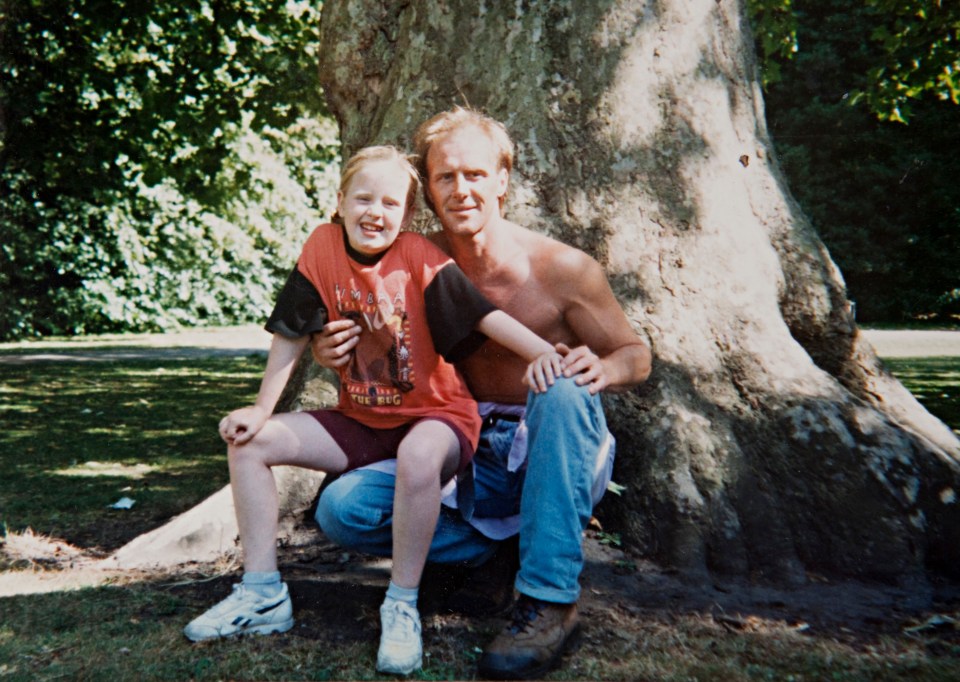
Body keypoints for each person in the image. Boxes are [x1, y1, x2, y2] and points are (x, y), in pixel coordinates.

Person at [182, 145, 566, 676]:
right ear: (339, 201)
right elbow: (292, 333)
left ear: (407, 216)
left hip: (440, 419)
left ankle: (401, 603)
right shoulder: (320, 246)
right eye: (363, 198)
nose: (375, 212)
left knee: (417, 453)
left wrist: (543, 352)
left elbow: (483, 318)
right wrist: (262, 407)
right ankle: (262, 593)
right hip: (363, 419)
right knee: (250, 442)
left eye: (391, 203)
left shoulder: (419, 257)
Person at [312, 108, 653, 679]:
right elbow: (381, 366)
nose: (461, 189)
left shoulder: (563, 269)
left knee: (564, 387)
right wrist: (333, 353)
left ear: (503, 180)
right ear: (429, 188)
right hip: (463, 453)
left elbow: (636, 354)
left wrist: (604, 368)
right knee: (342, 509)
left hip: (552, 447)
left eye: (475, 174)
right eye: (445, 177)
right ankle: (492, 557)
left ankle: (549, 599)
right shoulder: (410, 265)